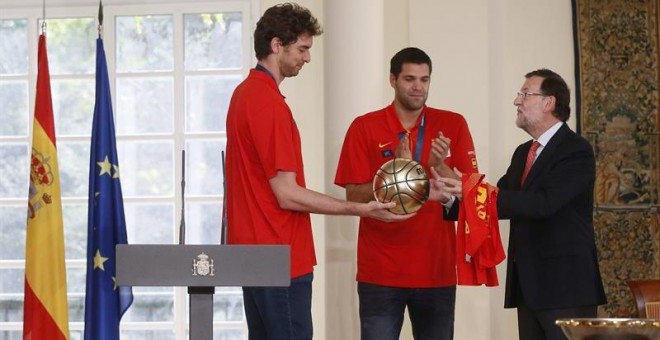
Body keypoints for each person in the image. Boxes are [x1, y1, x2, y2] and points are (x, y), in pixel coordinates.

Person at [224, 3, 411, 340]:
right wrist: (360, 209)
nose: (307, 58)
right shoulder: (267, 103)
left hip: (253, 255)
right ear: (276, 45)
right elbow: (287, 193)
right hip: (280, 255)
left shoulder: (242, 95)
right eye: (302, 49)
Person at [437, 68, 607, 340]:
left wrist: (474, 192)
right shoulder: (523, 153)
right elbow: (498, 199)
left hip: (566, 288)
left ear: (548, 103)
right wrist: (450, 197)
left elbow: (544, 203)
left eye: (525, 94)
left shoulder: (576, 150)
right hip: (528, 286)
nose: (517, 101)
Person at [334, 47, 480, 340]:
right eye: (409, 79)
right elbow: (353, 196)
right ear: (392, 80)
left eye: (424, 80)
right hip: (381, 271)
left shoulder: (452, 124)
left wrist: (441, 167)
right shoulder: (365, 126)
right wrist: (395, 171)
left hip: (436, 269)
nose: (418, 87)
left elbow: (471, 192)